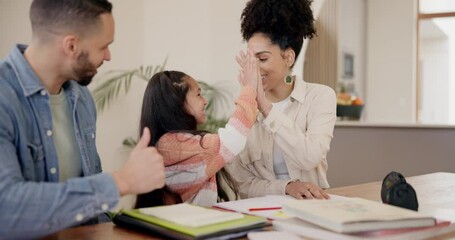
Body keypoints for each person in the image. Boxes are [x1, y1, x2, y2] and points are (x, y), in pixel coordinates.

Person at [0, 0, 165, 238]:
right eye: (104, 46)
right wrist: (121, 181)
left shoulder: (81, 98)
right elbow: (6, 209)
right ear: (71, 46)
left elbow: (92, 199)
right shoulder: (5, 97)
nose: (108, 56)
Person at [227, 0, 336, 200]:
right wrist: (286, 187)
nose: (254, 69)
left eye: (262, 59)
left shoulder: (320, 97)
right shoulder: (245, 107)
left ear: (288, 58)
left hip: (313, 207)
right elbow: (240, 183)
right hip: (261, 212)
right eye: (251, 61)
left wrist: (266, 108)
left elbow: (309, 157)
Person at [135, 50, 259, 208]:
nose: (205, 101)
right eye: (199, 94)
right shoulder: (172, 145)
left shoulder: (171, 142)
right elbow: (233, 139)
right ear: (177, 102)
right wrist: (249, 89)